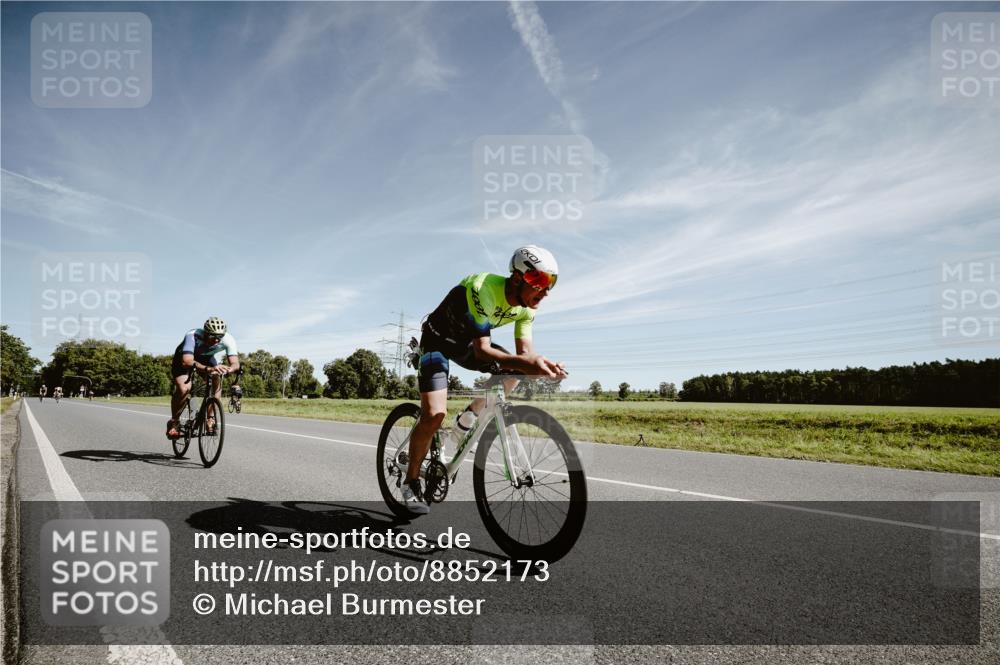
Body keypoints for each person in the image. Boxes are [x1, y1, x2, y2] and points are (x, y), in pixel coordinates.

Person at [402, 246, 567, 514]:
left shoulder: (527, 309)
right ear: (517, 277)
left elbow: (524, 356)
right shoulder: (483, 288)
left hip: (465, 344)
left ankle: (467, 419)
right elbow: (482, 351)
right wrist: (529, 364)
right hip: (437, 342)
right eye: (540, 281)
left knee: (514, 370)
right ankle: (410, 482)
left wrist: (544, 368)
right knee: (433, 415)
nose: (546, 291)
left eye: (552, 282)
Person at [166, 317, 240, 439]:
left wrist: (229, 369)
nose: (216, 340)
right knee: (184, 389)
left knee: (216, 377)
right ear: (205, 333)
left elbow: (235, 363)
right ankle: (174, 422)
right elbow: (187, 361)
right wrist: (208, 369)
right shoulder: (192, 335)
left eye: (219, 337)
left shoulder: (228, 339)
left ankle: (210, 419)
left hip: (206, 358)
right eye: (212, 336)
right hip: (184, 359)